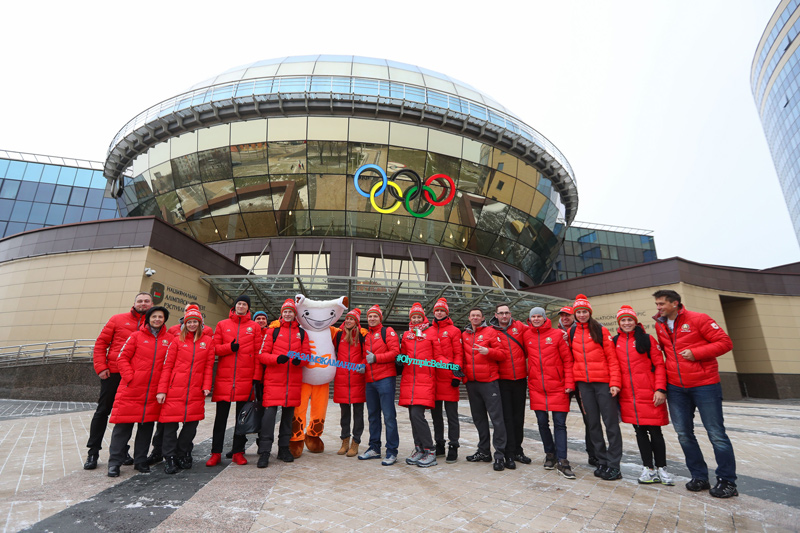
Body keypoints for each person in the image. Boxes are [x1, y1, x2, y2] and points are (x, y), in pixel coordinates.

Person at [652, 289, 737, 497]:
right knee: (684, 434)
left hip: (705, 384)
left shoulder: (699, 319)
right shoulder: (659, 324)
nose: (658, 308)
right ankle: (699, 477)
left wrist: (696, 353)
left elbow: (725, 343)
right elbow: (664, 356)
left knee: (716, 434)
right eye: (657, 304)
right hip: (676, 388)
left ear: (675, 303)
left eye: (661, 304)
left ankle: (727, 482)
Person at [85, 292, 152, 470]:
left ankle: (122, 451)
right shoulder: (117, 319)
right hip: (113, 373)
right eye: (140, 301)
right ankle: (93, 452)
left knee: (129, 414)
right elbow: (101, 343)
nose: (143, 304)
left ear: (151, 304)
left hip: (135, 377)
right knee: (103, 411)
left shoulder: (153, 324)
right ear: (134, 303)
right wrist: (101, 367)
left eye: (147, 301)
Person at [106, 306, 172, 477]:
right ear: (148, 318)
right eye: (154, 316)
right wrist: (130, 377)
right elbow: (122, 358)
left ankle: (140, 460)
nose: (157, 319)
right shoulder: (135, 336)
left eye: (161, 317)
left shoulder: (170, 340)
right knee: (123, 428)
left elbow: (169, 365)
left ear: (164, 319)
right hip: (132, 389)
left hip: (153, 392)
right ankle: (115, 462)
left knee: (146, 427)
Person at [614, 305, 673, 486]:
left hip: (650, 393)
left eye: (629, 319)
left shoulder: (647, 339)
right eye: (623, 320)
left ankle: (662, 468)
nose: (626, 323)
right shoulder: (614, 341)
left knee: (655, 431)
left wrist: (660, 389)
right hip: (629, 396)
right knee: (639, 431)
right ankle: (648, 468)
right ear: (619, 323)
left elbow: (660, 365)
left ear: (635, 321)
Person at [151, 302, 213, 466]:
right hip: (174, 389)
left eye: (195, 321)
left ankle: (183, 452)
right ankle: (169, 457)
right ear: (185, 324)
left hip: (195, 389)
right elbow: (167, 366)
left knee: (191, 425)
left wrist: (207, 385)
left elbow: (208, 366)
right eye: (189, 322)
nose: (192, 324)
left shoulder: (207, 341)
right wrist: (162, 390)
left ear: (200, 323)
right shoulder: (176, 341)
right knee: (170, 425)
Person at [570, 294, 623, 481]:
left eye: (585, 311)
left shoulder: (601, 330)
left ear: (589, 312)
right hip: (584, 385)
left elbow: (612, 359)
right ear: (575, 314)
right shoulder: (572, 332)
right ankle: (601, 460)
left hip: (604, 384)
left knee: (611, 425)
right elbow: (570, 361)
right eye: (579, 312)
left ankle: (614, 465)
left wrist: (615, 383)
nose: (582, 315)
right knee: (592, 424)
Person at [207, 295, 263, 467]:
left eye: (244, 304)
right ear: (235, 306)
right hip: (225, 379)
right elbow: (215, 349)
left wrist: (256, 377)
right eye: (239, 303)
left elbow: (258, 354)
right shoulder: (222, 324)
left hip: (245, 380)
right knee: (220, 418)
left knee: (242, 419)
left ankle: (238, 452)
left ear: (248, 308)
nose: (241, 306)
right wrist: (229, 348)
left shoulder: (254, 327)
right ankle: (215, 453)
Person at [256, 298, 310, 468]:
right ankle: (264, 451)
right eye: (285, 311)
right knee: (269, 418)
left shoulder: (302, 333)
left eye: (291, 312)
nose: (288, 314)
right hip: (273, 382)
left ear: (295, 314)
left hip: (292, 383)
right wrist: (276, 359)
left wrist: (299, 361)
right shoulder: (272, 332)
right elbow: (262, 355)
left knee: (288, 418)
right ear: (281, 314)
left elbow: (307, 356)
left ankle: (283, 449)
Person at [524, 307, 575, 479]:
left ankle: (563, 460)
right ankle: (550, 454)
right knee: (541, 422)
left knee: (560, 424)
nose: (536, 319)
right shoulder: (526, 335)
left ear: (545, 318)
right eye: (533, 316)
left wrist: (569, 383)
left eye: (539, 316)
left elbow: (568, 361)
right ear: (529, 319)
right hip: (537, 387)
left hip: (558, 386)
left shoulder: (558, 335)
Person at [462, 307, 510, 472]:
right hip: (472, 383)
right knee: (479, 419)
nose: (475, 317)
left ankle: (499, 455)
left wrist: (488, 351)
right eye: (472, 315)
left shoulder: (491, 332)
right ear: (469, 318)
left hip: (489, 382)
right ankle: (483, 451)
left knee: (497, 419)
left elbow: (503, 354)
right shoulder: (464, 335)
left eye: (478, 315)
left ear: (483, 317)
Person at [357, 305, 401, 466]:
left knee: (389, 416)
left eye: (375, 316)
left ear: (380, 318)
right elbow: (365, 356)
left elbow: (396, 352)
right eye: (370, 316)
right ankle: (374, 448)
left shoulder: (387, 331)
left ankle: (392, 451)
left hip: (385, 379)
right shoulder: (367, 336)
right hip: (370, 381)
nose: (372, 319)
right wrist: (362, 365)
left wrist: (376, 358)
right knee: (373, 416)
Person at [399, 303, 441, 468]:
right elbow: (404, 354)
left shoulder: (431, 333)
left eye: (418, 317)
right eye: (413, 317)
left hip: (425, 380)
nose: (416, 320)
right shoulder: (407, 335)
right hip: (409, 379)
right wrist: (399, 358)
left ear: (423, 318)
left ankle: (430, 450)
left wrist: (452, 367)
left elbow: (438, 356)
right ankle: (419, 448)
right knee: (412, 416)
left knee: (417, 415)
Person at [490, 303, 530, 467]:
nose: (504, 316)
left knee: (518, 417)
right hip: (502, 380)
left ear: (510, 314)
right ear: (496, 315)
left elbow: (537, 334)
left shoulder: (520, 327)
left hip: (520, 379)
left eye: (507, 313)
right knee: (506, 418)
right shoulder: (491, 331)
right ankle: (508, 452)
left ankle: (518, 450)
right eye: (501, 313)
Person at [557, 306, 597, 467]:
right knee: (559, 420)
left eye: (568, 315)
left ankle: (593, 454)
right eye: (562, 315)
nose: (565, 317)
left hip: (581, 380)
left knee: (590, 418)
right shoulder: (556, 332)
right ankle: (559, 455)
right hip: (564, 381)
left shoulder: (582, 331)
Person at [429, 298, 464, 463]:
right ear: (434, 312)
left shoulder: (454, 331)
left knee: (452, 416)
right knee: (436, 416)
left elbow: (458, 354)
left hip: (449, 379)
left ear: (446, 312)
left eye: (442, 310)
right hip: (434, 380)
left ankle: (453, 445)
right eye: (437, 310)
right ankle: (440, 444)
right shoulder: (429, 331)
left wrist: (457, 375)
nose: (439, 313)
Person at [333, 308, 366, 458]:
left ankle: (356, 442)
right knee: (344, 414)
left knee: (358, 414)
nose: (348, 321)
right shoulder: (338, 335)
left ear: (356, 322)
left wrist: (363, 365)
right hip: (342, 380)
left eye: (351, 319)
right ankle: (344, 441)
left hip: (357, 379)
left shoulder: (362, 336)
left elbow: (366, 354)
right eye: (347, 319)